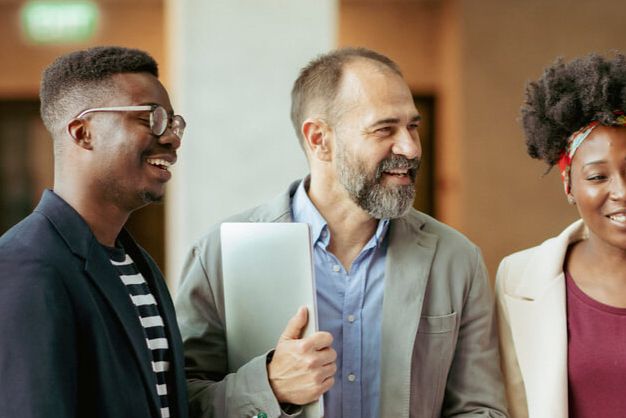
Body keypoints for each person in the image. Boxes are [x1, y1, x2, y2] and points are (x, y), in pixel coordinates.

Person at [176, 47, 507, 418]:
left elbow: (481, 409)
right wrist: (269, 387)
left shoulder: (457, 259)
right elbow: (180, 402)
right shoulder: (218, 253)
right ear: (319, 139)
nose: (410, 148)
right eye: (385, 129)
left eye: (413, 126)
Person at [0, 46, 188, 418]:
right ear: (84, 132)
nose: (171, 138)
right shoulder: (23, 267)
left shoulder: (135, 262)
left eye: (174, 122)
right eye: (151, 117)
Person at [496, 53, 626, 418]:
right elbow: (512, 404)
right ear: (569, 184)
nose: (621, 191)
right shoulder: (518, 278)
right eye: (598, 176)